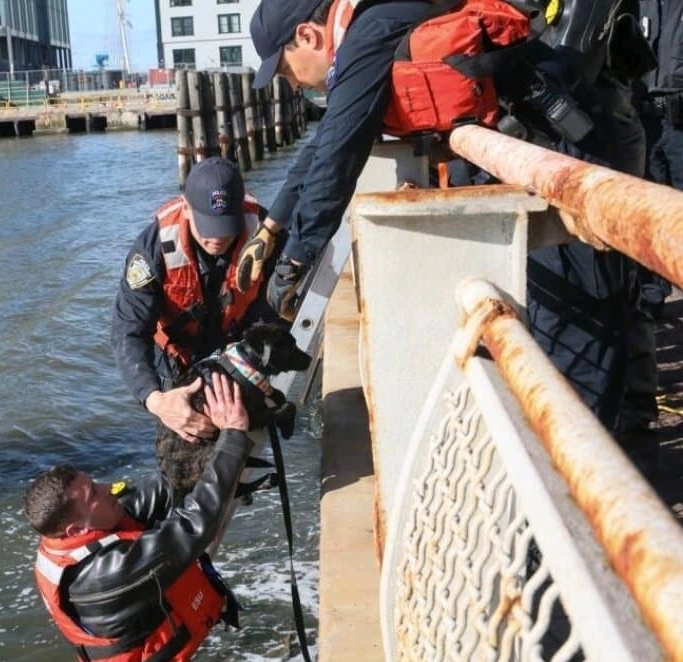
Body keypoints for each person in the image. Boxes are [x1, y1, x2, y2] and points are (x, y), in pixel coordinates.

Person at [239, 0, 650, 432]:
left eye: (286, 71)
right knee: (586, 317)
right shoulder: (380, 18)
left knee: (575, 325)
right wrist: (273, 225)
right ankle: (621, 440)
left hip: (571, 150)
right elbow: (326, 143)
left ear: (307, 36)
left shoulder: (367, 35)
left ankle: (593, 480)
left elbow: (336, 157)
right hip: (575, 135)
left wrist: (295, 259)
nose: (292, 84)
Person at [25, 373, 252, 662]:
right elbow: (194, 526)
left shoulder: (83, 529)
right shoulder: (103, 576)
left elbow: (166, 488)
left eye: (95, 482)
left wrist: (202, 428)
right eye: (93, 493)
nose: (108, 489)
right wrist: (234, 436)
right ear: (75, 530)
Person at [111, 156, 286, 444]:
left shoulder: (265, 233)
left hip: (237, 351)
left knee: (241, 443)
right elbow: (127, 330)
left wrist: (255, 367)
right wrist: (156, 401)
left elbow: (279, 304)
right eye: (208, 226)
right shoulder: (153, 247)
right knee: (185, 447)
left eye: (227, 225)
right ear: (187, 209)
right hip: (177, 360)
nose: (218, 238)